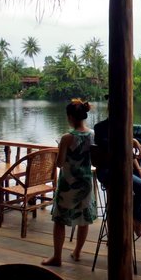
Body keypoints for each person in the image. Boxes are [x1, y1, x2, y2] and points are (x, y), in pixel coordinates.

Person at [94, 95, 141, 238]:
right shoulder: (100, 128)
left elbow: (129, 154)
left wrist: (140, 171)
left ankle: (136, 219)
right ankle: (130, 220)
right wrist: (130, 139)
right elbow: (113, 148)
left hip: (126, 167)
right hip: (108, 170)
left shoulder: (125, 126)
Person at [43, 99, 97, 266]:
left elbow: (60, 163)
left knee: (60, 220)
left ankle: (57, 257)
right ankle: (77, 252)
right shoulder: (92, 134)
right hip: (86, 183)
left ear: (70, 117)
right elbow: (93, 160)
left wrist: (60, 147)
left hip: (68, 184)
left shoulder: (67, 138)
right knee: (84, 219)